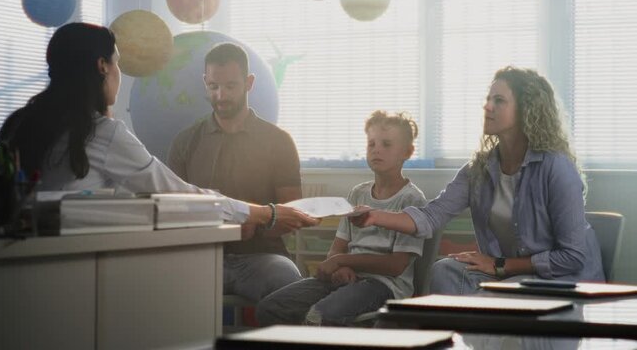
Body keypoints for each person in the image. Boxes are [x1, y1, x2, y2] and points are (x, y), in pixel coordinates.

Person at [0, 22, 319, 233]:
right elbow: (177, 195)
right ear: (102, 66)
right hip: (71, 263)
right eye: (118, 63)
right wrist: (263, 213)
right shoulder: (102, 133)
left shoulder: (19, 124)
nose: (120, 75)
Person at [352, 66, 604, 295]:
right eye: (488, 99)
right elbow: (431, 217)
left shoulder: (556, 167)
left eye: (499, 100)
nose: (487, 107)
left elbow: (572, 256)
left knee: (502, 291)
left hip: (562, 278)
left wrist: (500, 265)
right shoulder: (479, 169)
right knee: (444, 271)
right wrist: (375, 215)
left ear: (526, 110)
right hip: (509, 274)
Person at [256, 110, 427, 326]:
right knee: (270, 309)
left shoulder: (412, 199)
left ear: (408, 152)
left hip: (383, 286)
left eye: (386, 144)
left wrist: (342, 261)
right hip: (347, 278)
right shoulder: (358, 193)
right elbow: (338, 246)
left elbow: (396, 265)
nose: (376, 150)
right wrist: (341, 267)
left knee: (319, 316)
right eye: (371, 144)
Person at [167, 42, 306, 302]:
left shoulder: (278, 141)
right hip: (202, 258)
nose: (221, 95)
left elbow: (292, 213)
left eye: (230, 86)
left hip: (261, 258)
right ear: (205, 82)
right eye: (213, 86)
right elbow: (173, 211)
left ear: (249, 82)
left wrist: (256, 227)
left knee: (286, 278)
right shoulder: (185, 142)